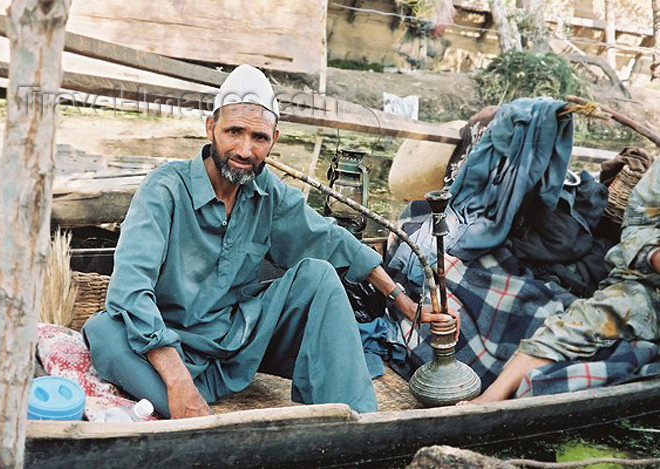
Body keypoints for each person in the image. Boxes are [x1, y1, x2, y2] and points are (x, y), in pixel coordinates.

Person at [83, 64, 456, 419]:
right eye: (234, 132)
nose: (245, 150)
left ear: (273, 140)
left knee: (318, 277)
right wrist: (178, 380)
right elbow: (130, 290)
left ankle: (354, 426)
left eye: (258, 137)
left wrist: (405, 304)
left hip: (236, 342)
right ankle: (195, 412)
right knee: (104, 333)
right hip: (165, 349)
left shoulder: (268, 193)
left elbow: (330, 240)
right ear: (211, 127)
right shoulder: (164, 189)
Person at [465, 158, 660, 404]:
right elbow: (640, 225)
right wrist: (654, 256)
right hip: (650, 284)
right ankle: (495, 393)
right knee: (587, 319)